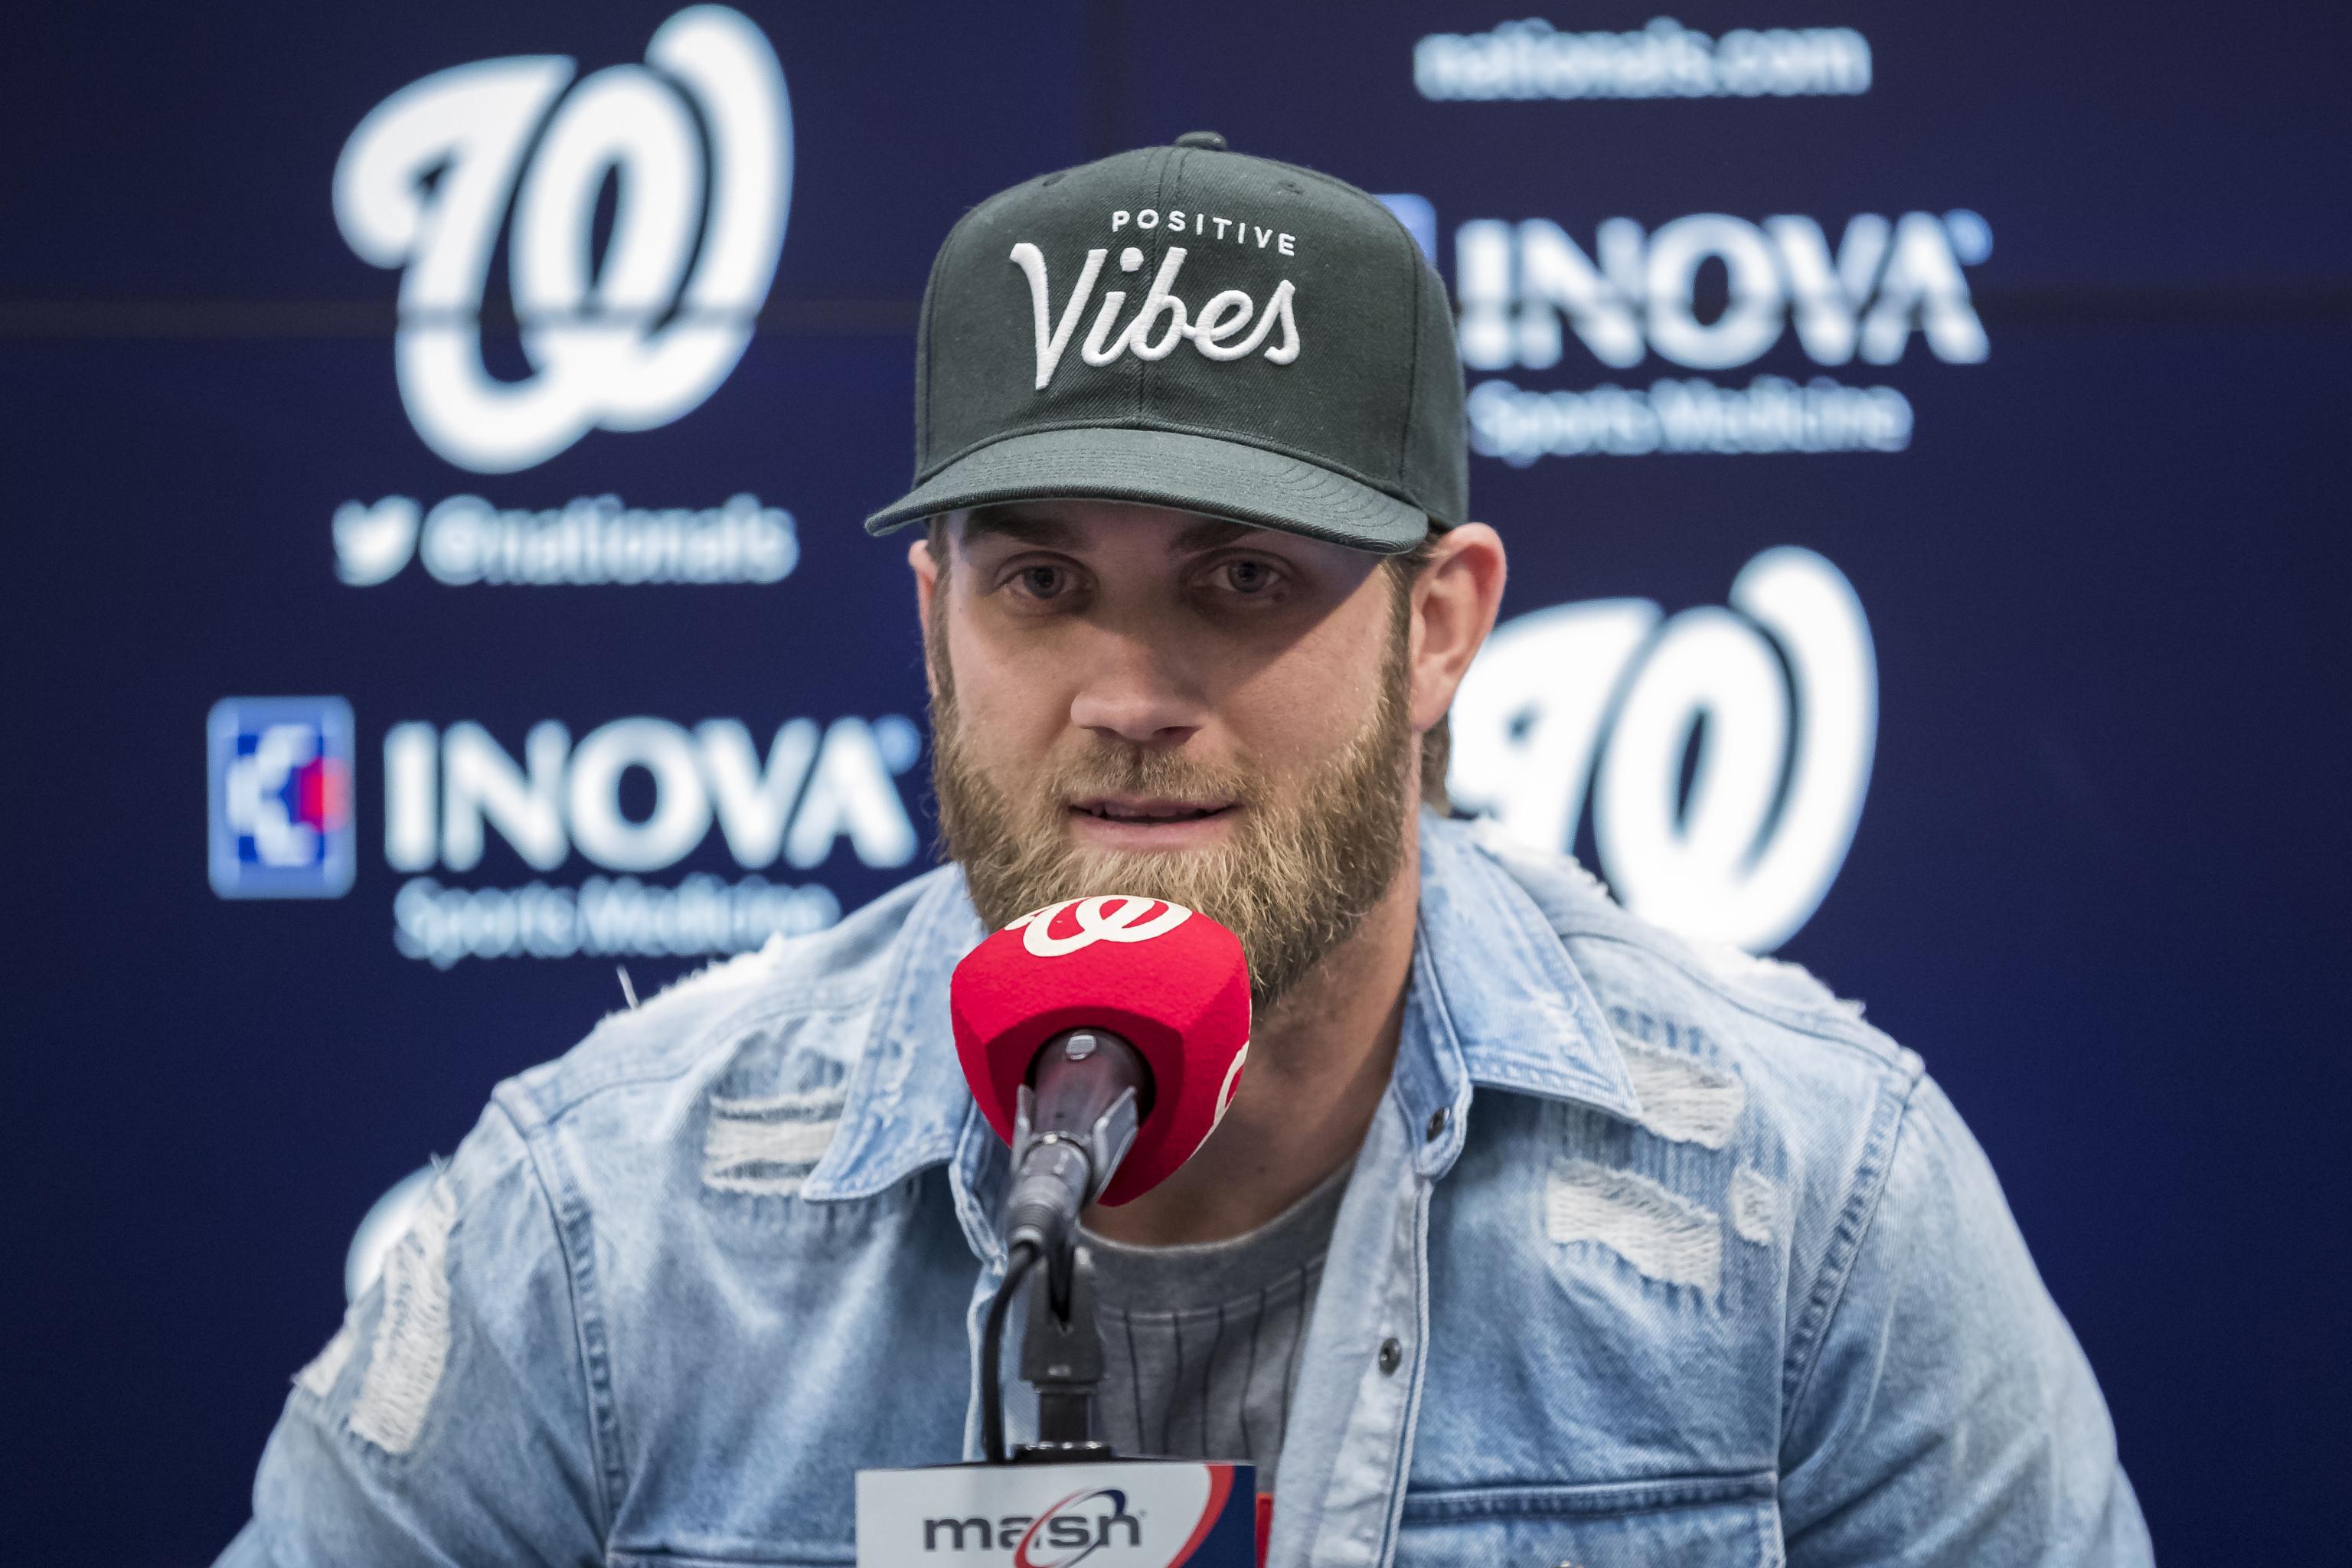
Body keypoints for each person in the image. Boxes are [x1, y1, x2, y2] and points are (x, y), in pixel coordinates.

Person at [219, 133, 2149, 1566]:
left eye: (1243, 580)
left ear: (1444, 627)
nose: (1129, 692)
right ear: (931, 622)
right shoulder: (603, 1227)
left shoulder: (1809, 1200)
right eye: (1044, 580)